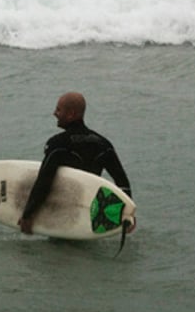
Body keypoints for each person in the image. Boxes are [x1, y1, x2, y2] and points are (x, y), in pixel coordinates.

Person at [17, 91, 134, 235]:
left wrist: (28, 215)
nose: (54, 113)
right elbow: (121, 181)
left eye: (58, 109)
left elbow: (44, 181)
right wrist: (128, 214)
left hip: (62, 215)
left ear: (71, 114)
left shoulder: (57, 144)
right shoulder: (103, 144)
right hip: (87, 219)